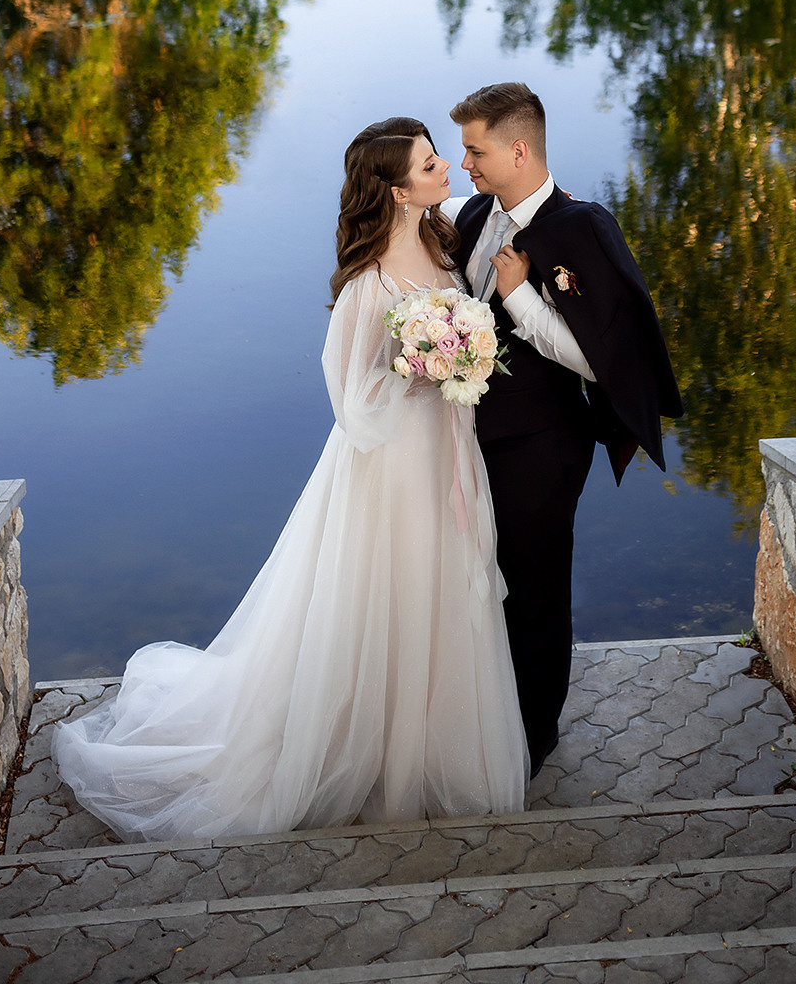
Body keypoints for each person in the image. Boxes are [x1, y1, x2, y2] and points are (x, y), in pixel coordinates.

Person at [53, 117, 527, 841]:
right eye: (431, 165)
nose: (445, 171)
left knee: (440, 588)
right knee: (387, 594)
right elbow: (351, 400)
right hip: (390, 468)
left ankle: (433, 750)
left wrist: (465, 353)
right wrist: (422, 367)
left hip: (444, 453)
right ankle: (367, 753)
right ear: (399, 193)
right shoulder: (370, 285)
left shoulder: (443, 243)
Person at [444, 81, 684, 773]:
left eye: (474, 150)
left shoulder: (581, 228)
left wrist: (518, 294)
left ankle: (530, 737)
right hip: (470, 440)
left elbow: (595, 358)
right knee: (477, 583)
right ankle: (479, 717)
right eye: (461, 151)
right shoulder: (474, 216)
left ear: (517, 149)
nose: (466, 164)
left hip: (541, 446)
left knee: (534, 589)